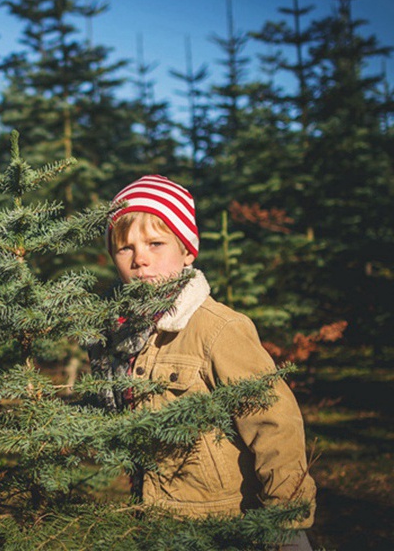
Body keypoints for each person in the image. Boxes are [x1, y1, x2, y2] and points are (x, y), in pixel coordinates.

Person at [88, 174, 316, 550]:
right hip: (156, 519)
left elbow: (275, 424)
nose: (139, 258)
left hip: (222, 523)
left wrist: (286, 522)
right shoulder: (122, 336)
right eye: (124, 248)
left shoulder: (218, 329)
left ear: (187, 251)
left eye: (155, 243)